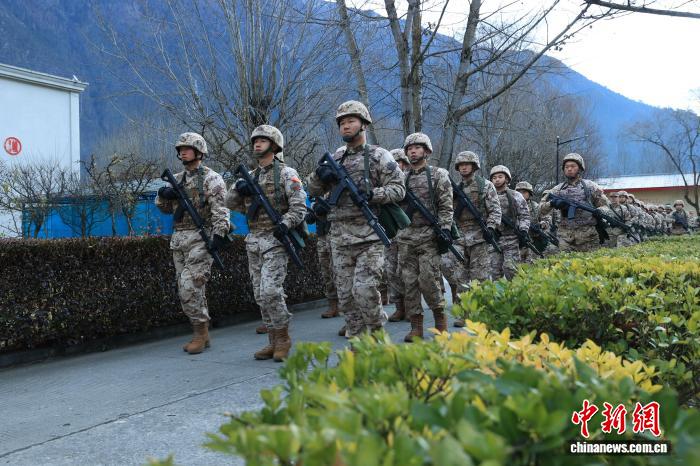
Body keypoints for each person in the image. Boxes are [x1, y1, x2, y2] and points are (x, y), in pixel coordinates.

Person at [306, 101, 406, 338]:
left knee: (365, 291)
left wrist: (373, 194)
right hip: (339, 238)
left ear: (363, 124)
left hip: (369, 237)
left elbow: (399, 189)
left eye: (351, 121)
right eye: (342, 122)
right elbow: (312, 189)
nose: (345, 126)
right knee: (346, 298)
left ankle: (377, 340)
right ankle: (357, 344)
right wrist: (319, 175)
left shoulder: (379, 156)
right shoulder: (336, 158)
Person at [226, 125, 307, 362]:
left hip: (277, 239)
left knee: (271, 290)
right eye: (255, 141)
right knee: (260, 294)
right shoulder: (248, 176)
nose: (257, 144)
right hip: (254, 241)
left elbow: (299, 208)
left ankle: (283, 339)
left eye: (263, 140)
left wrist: (285, 223)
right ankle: (272, 341)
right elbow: (230, 203)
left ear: (274, 145)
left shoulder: (286, 173)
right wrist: (238, 189)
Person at [155, 132, 230, 354]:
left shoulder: (211, 178)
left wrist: (219, 235)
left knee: (190, 286)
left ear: (199, 152)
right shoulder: (176, 179)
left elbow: (221, 209)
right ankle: (201, 332)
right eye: (180, 149)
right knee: (185, 288)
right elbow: (165, 209)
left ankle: (200, 333)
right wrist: (163, 195)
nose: (183, 152)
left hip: (201, 236)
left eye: (187, 148)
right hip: (179, 240)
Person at [396, 133, 453, 341]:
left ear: (427, 151)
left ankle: (440, 323)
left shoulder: (438, 175)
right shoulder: (401, 177)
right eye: (409, 148)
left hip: (429, 236)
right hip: (406, 237)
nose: (413, 151)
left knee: (429, 280)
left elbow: (446, 205)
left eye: (417, 148)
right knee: (409, 283)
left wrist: (445, 228)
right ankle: (416, 327)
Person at [450, 151, 501, 327]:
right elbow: (448, 211)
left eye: (467, 164)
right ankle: (463, 313)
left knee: (480, 278)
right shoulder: (454, 188)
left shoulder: (485, 185)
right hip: (460, 237)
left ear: (474, 166)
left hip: (479, 236)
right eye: (461, 165)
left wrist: (491, 228)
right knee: (460, 277)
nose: (464, 167)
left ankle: (481, 313)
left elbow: (495, 210)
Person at [540, 153, 608, 252]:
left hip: (588, 238)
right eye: (566, 167)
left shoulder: (590, 187)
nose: (569, 169)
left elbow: (606, 206)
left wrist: (600, 211)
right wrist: (552, 203)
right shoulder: (557, 190)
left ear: (580, 168)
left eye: (573, 166)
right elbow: (541, 210)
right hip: (565, 238)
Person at [489, 165, 530, 279]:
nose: (497, 180)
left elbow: (524, 215)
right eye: (494, 178)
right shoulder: (488, 196)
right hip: (494, 238)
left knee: (511, 270)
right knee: (494, 272)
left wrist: (523, 230)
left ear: (506, 179)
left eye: (500, 177)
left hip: (511, 238)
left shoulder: (516, 195)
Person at [386, 148, 411, 322]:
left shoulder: (410, 180)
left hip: (409, 233)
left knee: (407, 271)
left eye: (399, 163)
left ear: (405, 164)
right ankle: (399, 307)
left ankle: (411, 306)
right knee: (391, 271)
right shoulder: (384, 182)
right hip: (391, 233)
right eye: (393, 163)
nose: (396, 166)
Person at [515, 181, 549, 262]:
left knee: (533, 265)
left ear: (529, 194)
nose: (521, 194)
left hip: (532, 242)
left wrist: (541, 225)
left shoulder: (535, 206)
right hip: (517, 242)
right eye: (519, 192)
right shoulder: (512, 206)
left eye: (524, 192)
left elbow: (546, 219)